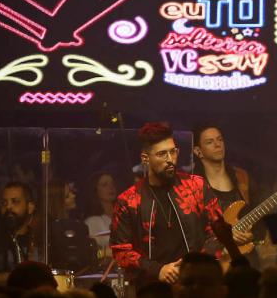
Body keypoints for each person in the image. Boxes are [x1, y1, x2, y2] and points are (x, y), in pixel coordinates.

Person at [110, 122, 223, 284]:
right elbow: (121, 251)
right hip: (152, 288)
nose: (170, 159)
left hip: (196, 283)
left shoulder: (196, 186)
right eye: (162, 154)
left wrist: (194, 265)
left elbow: (218, 232)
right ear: (145, 158)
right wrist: (158, 270)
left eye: (173, 151)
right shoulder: (128, 201)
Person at [192, 124, 255, 246]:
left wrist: (251, 235)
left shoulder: (241, 176)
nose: (217, 144)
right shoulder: (193, 185)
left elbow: (257, 211)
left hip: (244, 251)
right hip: (212, 254)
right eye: (210, 142)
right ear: (198, 151)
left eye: (220, 139)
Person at [84, 171, 117, 255]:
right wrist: (104, 253)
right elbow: (91, 254)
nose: (111, 187)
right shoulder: (92, 222)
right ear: (95, 190)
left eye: (112, 184)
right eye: (104, 185)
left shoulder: (123, 216)